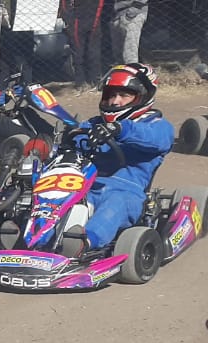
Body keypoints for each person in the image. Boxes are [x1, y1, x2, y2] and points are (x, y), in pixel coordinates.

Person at [66, 62, 173, 252]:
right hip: (85, 186)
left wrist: (120, 129)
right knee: (53, 195)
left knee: (115, 205)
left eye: (124, 95)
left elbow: (156, 140)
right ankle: (29, 233)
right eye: (111, 95)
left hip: (126, 192)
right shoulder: (93, 124)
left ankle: (83, 243)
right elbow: (75, 141)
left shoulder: (156, 126)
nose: (115, 102)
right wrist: (66, 138)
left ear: (142, 96)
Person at [65, 0, 106, 85]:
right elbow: (65, 5)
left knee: (94, 52)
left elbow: (101, 4)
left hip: (94, 19)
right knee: (78, 53)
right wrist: (69, 19)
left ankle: (95, 80)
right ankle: (80, 82)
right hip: (77, 21)